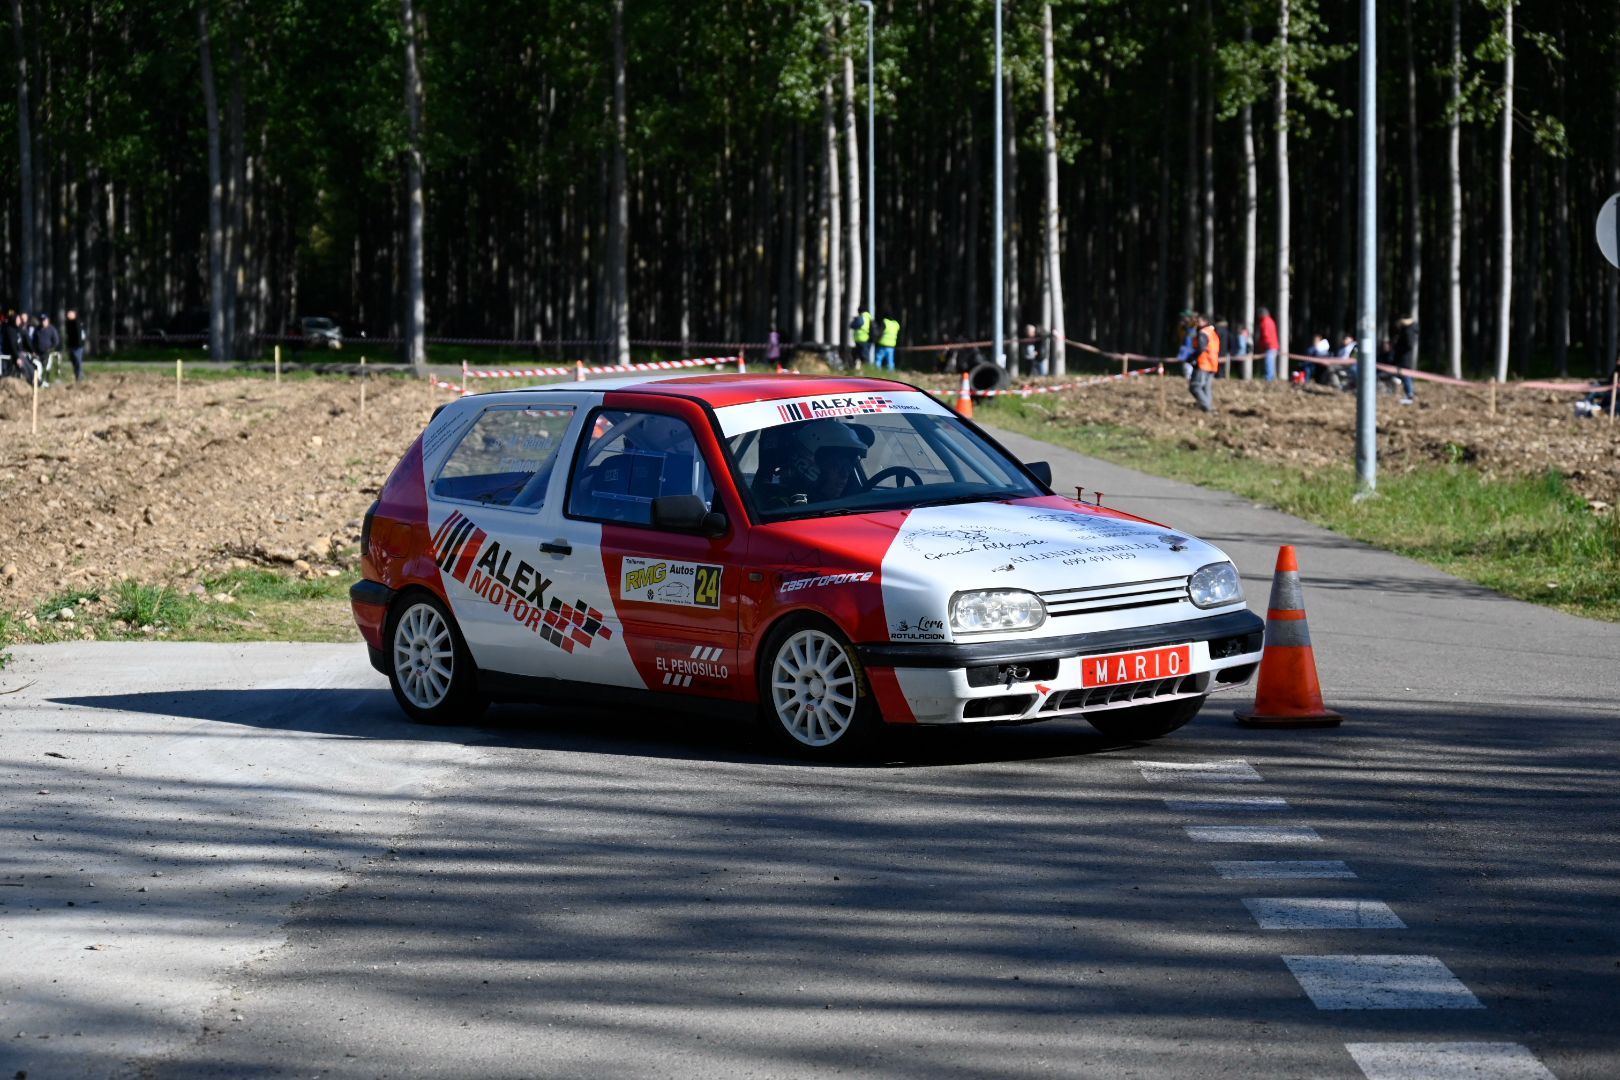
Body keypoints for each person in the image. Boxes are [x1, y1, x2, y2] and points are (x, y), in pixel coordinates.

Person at [755, 419, 868, 507]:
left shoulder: (849, 507)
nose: (845, 475)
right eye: (835, 466)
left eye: (848, 467)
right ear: (806, 464)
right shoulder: (785, 509)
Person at [1188, 313, 1220, 413]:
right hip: (1213, 363)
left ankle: (1208, 408)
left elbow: (1201, 348)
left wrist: (1192, 358)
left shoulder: (1203, 332)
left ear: (1205, 322)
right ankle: (1208, 407)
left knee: (1195, 386)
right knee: (1206, 387)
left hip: (1203, 363)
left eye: (1198, 321)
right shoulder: (1212, 332)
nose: (1196, 323)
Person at [1391, 316, 1417, 404]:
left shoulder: (1408, 331)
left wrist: (1399, 347)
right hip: (1403, 357)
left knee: (1406, 376)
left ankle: (1409, 394)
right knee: (1404, 376)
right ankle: (1408, 393)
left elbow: (1409, 345)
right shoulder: (1407, 330)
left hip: (1404, 358)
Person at [1257, 306, 1280, 382]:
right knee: (1271, 362)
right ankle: (1271, 377)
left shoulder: (1265, 322)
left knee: (1268, 362)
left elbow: (1266, 335)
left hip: (1270, 346)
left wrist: (1264, 345)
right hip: (1273, 345)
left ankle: (1269, 378)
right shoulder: (1270, 321)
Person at [35, 314, 60, 384]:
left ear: (47, 321)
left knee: (47, 367)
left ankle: (46, 380)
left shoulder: (52, 329)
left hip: (48, 352)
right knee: (38, 367)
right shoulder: (37, 329)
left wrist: (50, 348)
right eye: (41, 320)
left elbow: (56, 341)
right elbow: (34, 341)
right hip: (38, 352)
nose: (43, 322)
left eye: (44, 320)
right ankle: (39, 381)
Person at [64, 309, 86, 383]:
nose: (68, 315)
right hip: (71, 346)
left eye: (70, 314)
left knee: (78, 362)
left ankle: (80, 378)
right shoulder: (68, 323)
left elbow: (80, 336)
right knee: (74, 363)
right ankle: (77, 377)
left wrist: (79, 345)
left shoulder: (77, 323)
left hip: (78, 347)